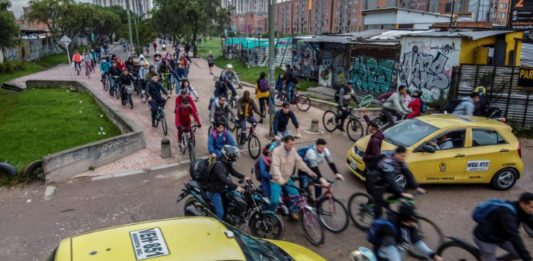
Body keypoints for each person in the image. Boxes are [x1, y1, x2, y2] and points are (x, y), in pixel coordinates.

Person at [365, 146, 425, 219]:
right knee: (379, 209)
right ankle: (374, 224)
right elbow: (390, 179)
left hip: (384, 182)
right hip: (374, 182)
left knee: (399, 195)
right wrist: (401, 192)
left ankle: (385, 206)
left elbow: (408, 174)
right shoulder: (388, 162)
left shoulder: (401, 162)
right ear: (396, 154)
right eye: (402, 156)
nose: (403, 158)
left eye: (404, 156)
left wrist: (417, 187)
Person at [473, 192, 533, 261]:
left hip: (502, 236)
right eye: (531, 207)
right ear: (522, 204)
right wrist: (528, 258)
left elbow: (531, 222)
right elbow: (514, 236)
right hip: (486, 238)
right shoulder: (507, 214)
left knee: (517, 253)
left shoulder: (525, 211)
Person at [372, 204, 443, 261]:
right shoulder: (388, 229)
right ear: (404, 221)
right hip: (384, 257)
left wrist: (433, 255)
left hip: (398, 256)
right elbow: (390, 250)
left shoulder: (409, 226)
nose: (413, 223)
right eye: (411, 221)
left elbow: (417, 243)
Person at [270, 136, 318, 218]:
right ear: (285, 143)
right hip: (276, 180)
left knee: (296, 195)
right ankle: (269, 215)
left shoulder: (293, 150)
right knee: (274, 202)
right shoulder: (277, 151)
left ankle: (292, 211)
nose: (291, 146)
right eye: (290, 144)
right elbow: (275, 167)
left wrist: (309, 172)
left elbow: (299, 162)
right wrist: (280, 180)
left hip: (287, 179)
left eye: (293, 144)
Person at [205, 145, 247, 220]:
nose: (234, 159)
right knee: (220, 214)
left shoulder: (226, 163)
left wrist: (243, 177)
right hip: (215, 191)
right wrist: (236, 187)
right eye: (232, 157)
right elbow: (224, 179)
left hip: (222, 187)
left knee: (237, 197)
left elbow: (233, 172)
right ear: (226, 155)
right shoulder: (219, 165)